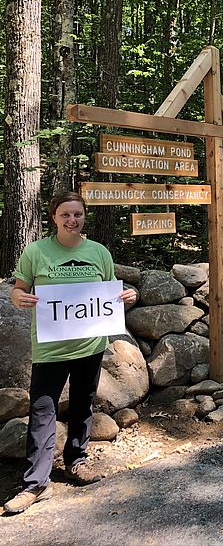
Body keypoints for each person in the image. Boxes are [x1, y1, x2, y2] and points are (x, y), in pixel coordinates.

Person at [3, 191, 137, 514]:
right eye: (65, 214)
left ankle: (77, 460)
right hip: (50, 348)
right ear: (54, 218)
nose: (72, 220)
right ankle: (36, 483)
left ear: (84, 216)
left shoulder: (99, 253)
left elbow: (109, 293)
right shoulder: (36, 253)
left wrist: (126, 296)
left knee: (82, 404)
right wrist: (18, 297)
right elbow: (18, 290)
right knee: (42, 411)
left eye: (77, 214)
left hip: (89, 346)